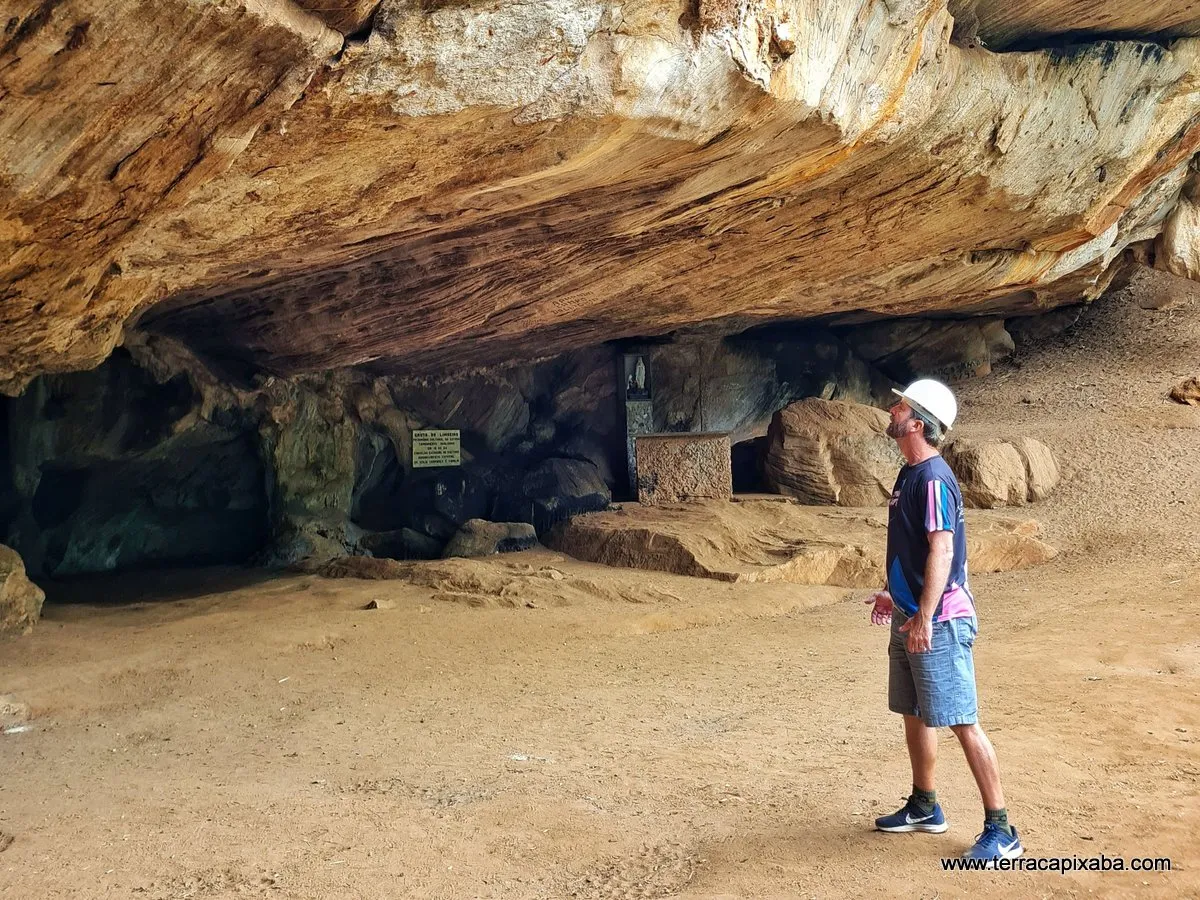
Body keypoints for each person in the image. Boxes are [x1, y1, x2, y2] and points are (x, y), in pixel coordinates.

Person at [865, 378, 1024, 864]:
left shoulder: (932, 478)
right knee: (915, 713)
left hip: (940, 622)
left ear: (918, 423)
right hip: (914, 615)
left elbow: (943, 547)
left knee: (961, 720)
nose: (892, 409)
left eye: (902, 406)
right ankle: (925, 806)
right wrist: (896, 597)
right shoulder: (908, 474)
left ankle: (1002, 828)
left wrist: (927, 617)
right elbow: (916, 549)